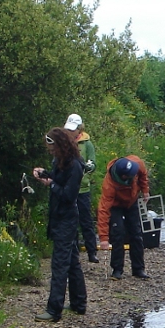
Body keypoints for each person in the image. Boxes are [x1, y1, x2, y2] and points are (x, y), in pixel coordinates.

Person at [32, 127, 87, 321]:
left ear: (60, 145)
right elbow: (58, 179)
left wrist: (50, 184)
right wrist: (45, 173)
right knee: (72, 261)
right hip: (58, 217)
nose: (50, 152)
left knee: (59, 264)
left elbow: (68, 194)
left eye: (52, 148)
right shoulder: (61, 162)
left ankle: (54, 310)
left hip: (67, 218)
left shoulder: (75, 166)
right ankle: (79, 303)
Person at [97, 155, 150, 280]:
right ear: (124, 177)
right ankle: (117, 270)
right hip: (116, 205)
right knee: (118, 233)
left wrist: (145, 190)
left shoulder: (136, 163)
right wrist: (103, 238)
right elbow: (103, 211)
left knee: (136, 233)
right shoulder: (109, 186)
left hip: (132, 202)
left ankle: (138, 269)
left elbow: (143, 175)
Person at [63, 113, 99, 263]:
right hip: (68, 188)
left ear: (79, 129)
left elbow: (93, 162)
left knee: (86, 221)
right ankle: (73, 251)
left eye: (73, 130)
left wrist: (88, 167)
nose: (70, 133)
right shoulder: (64, 142)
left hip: (83, 188)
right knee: (70, 221)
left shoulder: (87, 144)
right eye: (69, 130)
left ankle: (92, 252)